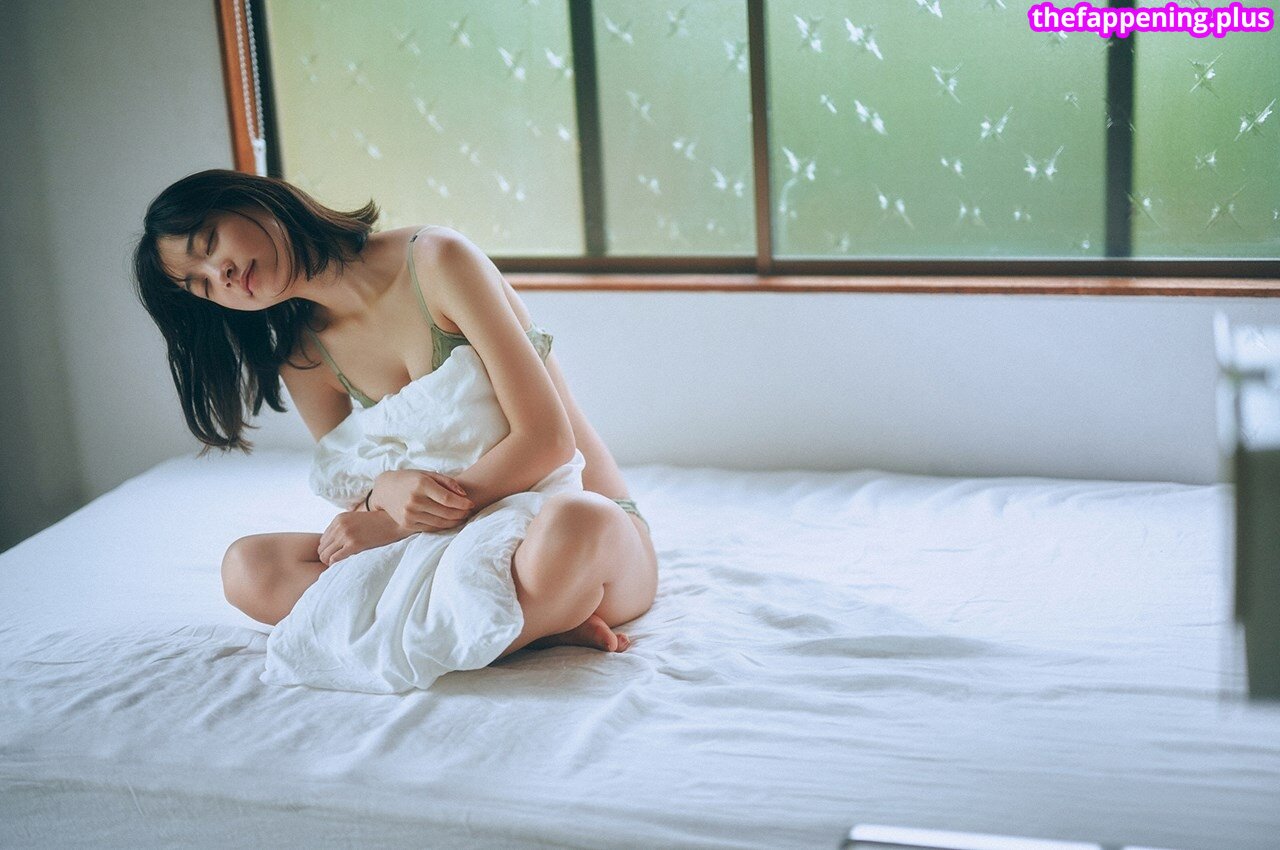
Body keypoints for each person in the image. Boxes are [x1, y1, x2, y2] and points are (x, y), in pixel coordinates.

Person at [132, 168, 656, 659]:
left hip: (563, 529)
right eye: (201, 285)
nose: (220, 274)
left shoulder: (437, 260)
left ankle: (489, 628)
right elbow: (355, 482)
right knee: (248, 569)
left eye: (209, 244)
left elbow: (548, 442)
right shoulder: (304, 353)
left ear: (254, 201)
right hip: (445, 548)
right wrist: (382, 497)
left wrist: (396, 522)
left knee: (579, 523)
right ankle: (533, 626)